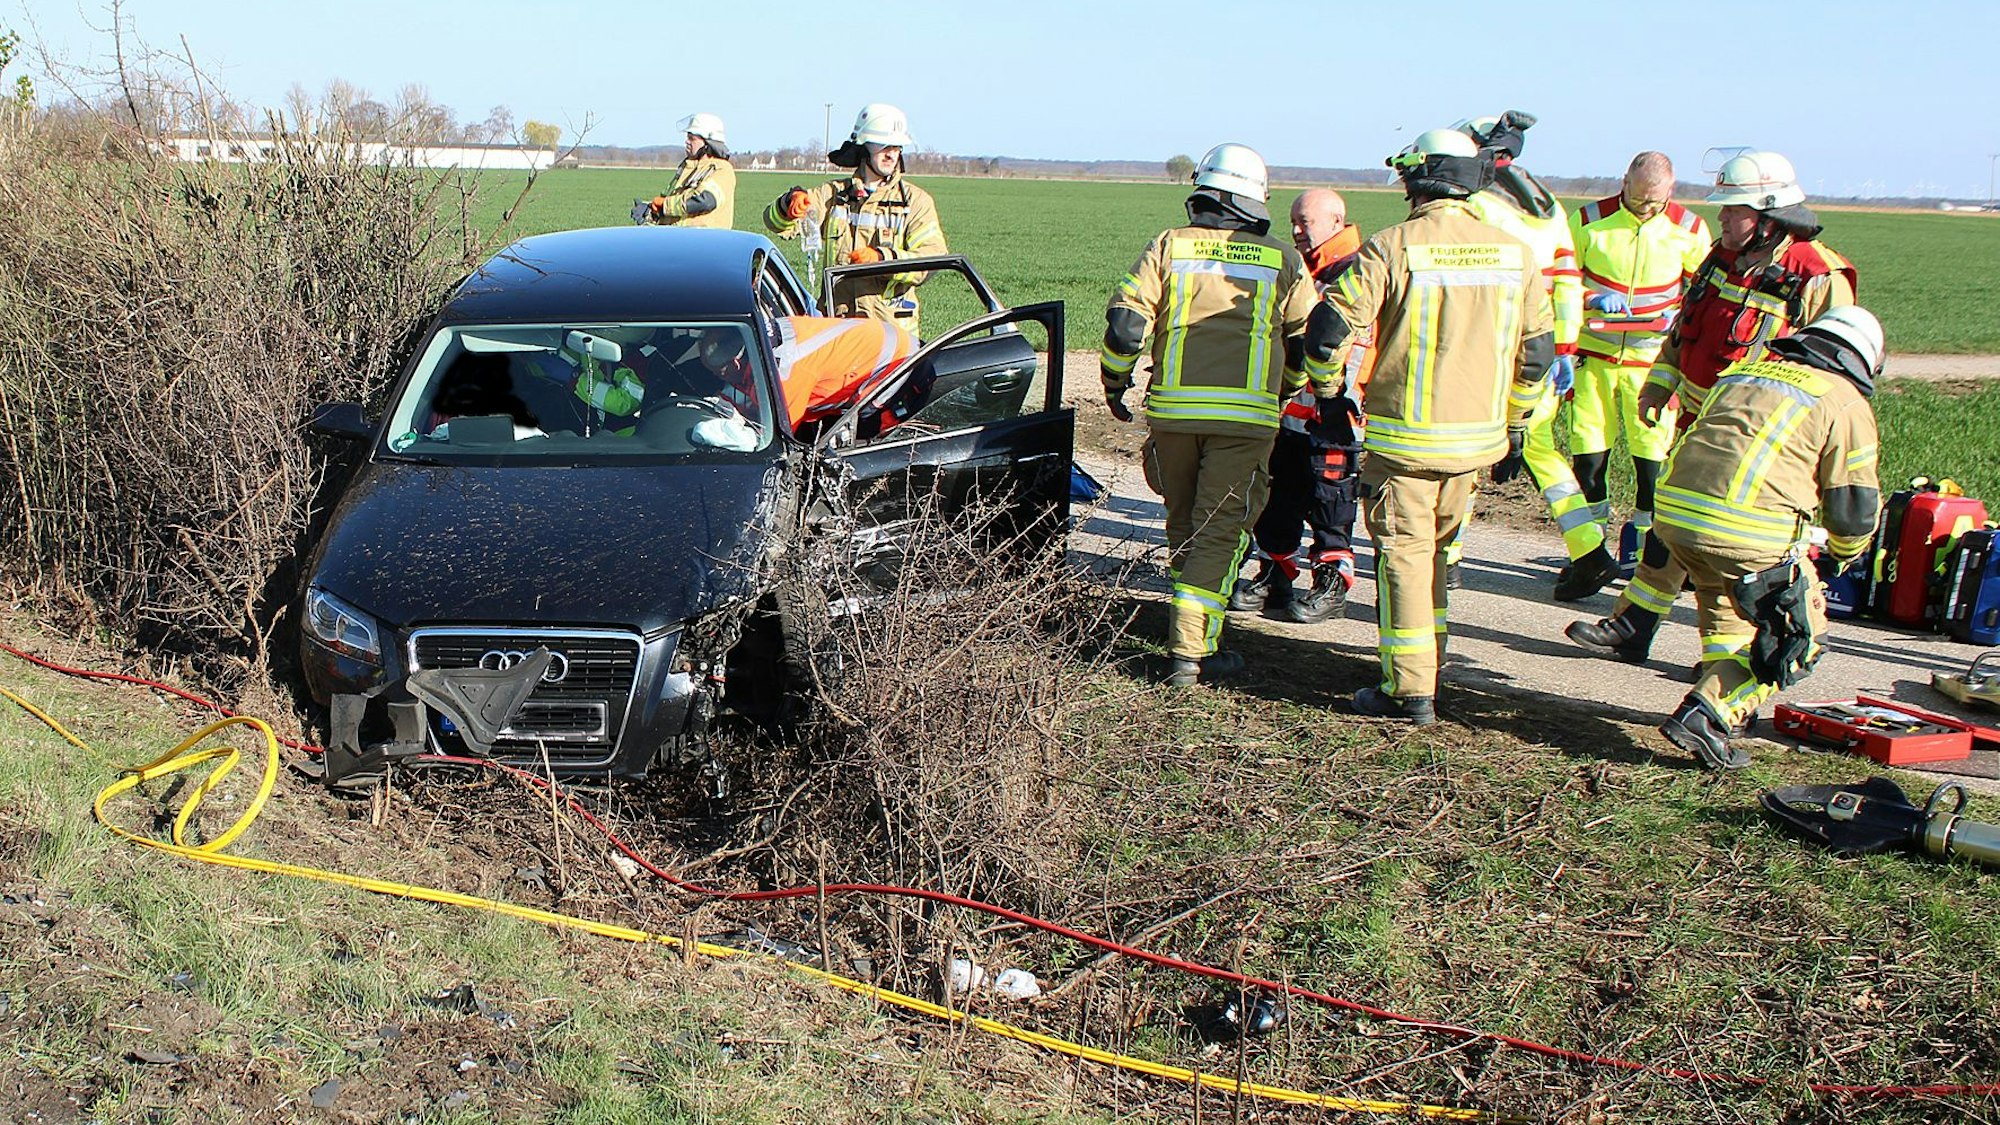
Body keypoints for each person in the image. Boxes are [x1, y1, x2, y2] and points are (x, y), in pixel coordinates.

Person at [1300, 128, 1554, 723]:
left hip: (1406, 444)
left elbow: (1325, 334)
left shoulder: (1394, 247)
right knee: (1439, 557)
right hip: (1476, 445)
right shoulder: (1514, 252)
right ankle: (1429, 668)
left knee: (1405, 559)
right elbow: (1538, 355)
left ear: (1420, 178)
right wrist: (1515, 425)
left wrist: (1330, 396)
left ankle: (1407, 690)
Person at [1568, 151, 1858, 664]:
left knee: (1728, 548)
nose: (1719, 217)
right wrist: (1660, 383)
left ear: (1769, 217)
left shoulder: (1816, 275)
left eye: (1733, 210)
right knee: (1670, 522)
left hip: (1762, 443)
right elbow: (1687, 328)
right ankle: (1635, 624)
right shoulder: (1722, 258)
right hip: (1700, 422)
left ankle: (1725, 662)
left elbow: (1833, 372)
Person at [1626, 306, 1883, 769]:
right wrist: (1846, 555)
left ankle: (1728, 710)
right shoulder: (1843, 399)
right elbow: (1853, 507)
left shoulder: (1746, 373)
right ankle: (1706, 715)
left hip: (1674, 519)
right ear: (1862, 363)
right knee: (1799, 640)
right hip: (1747, 534)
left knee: (1727, 611)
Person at [1099, 143, 1316, 687]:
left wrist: (1114, 381)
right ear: (1256, 200)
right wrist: (1285, 388)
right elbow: (1308, 343)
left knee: (1184, 524)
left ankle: (1195, 635)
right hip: (1244, 423)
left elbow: (1125, 328)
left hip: (1173, 416)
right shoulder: (1281, 259)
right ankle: (1191, 655)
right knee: (1219, 532)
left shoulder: (1168, 247)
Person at [1450, 111, 1618, 602]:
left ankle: (1450, 556)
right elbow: (1566, 279)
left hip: (1494, 348)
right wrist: (1563, 347)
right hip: (1541, 351)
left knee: (1466, 449)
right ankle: (1589, 551)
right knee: (1541, 451)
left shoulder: (1477, 204)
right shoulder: (1545, 203)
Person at [1230, 187, 1372, 623]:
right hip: (1292, 415)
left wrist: (1339, 402)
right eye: (1292, 221)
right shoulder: (1299, 270)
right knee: (1278, 501)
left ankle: (1331, 585)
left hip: (1337, 418)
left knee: (1332, 503)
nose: (1295, 231)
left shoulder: (1358, 272)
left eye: (1304, 223)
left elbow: (1359, 348)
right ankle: (1275, 575)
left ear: (1336, 221)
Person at [1568, 152, 1712, 575]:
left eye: (1655, 201)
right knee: (1588, 453)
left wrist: (1680, 315)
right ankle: (1589, 552)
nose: (1646, 207)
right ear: (1624, 181)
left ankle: (1647, 550)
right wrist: (1592, 299)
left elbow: (1703, 291)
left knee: (1651, 458)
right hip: (1594, 357)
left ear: (1671, 189)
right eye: (1638, 197)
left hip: (1651, 361)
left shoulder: (1689, 228)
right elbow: (1560, 281)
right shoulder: (1590, 220)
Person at [764, 104, 946, 334]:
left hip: (891, 334)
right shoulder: (834, 194)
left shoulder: (915, 202)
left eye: (897, 147)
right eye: (884, 146)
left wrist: (882, 259)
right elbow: (775, 223)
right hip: (837, 328)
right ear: (864, 147)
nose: (891, 154)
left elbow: (932, 259)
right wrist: (789, 203)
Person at [697, 316, 917, 436]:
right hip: (871, 348)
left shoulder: (785, 373)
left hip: (894, 364)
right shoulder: (761, 338)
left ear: (736, 362)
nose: (718, 377)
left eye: (719, 372)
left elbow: (781, 435)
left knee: (872, 433)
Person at [640, 113, 735, 229]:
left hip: (706, 244)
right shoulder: (688, 168)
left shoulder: (722, 169)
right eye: (687, 137)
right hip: (681, 242)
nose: (687, 142)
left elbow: (704, 201)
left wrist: (664, 204)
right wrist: (653, 213)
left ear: (708, 143)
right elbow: (678, 213)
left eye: (692, 138)